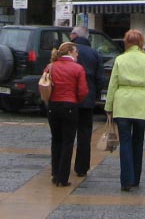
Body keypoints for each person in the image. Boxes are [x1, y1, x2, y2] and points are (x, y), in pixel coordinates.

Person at [104, 29, 145, 192]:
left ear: (126, 42)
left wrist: (109, 107)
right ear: (141, 42)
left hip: (123, 103)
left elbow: (112, 84)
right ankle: (136, 178)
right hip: (142, 102)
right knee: (138, 142)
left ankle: (126, 180)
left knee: (125, 141)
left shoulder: (120, 60)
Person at [45, 41, 88, 187]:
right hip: (70, 106)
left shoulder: (51, 66)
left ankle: (55, 173)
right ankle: (63, 177)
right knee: (68, 142)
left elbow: (44, 84)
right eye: (76, 51)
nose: (77, 54)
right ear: (70, 52)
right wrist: (76, 100)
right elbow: (83, 91)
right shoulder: (78, 69)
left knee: (55, 140)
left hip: (53, 106)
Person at [69, 24, 100, 177]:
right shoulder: (94, 53)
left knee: (67, 134)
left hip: (69, 99)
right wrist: (96, 94)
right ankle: (82, 167)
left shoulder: (68, 52)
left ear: (75, 35)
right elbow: (100, 78)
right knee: (84, 135)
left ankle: (62, 166)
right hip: (87, 99)